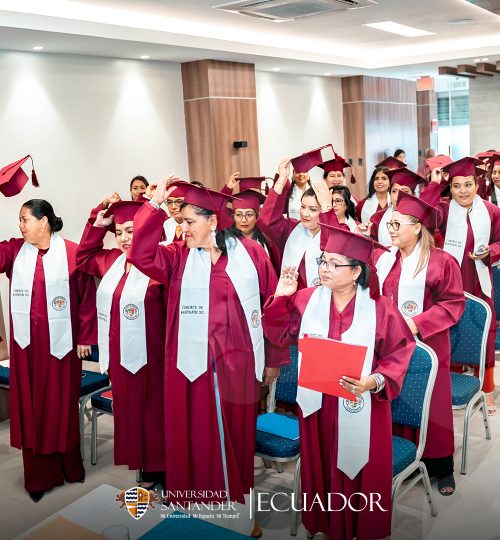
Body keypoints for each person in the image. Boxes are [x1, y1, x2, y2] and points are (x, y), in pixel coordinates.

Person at [127, 178, 289, 538]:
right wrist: (152, 206)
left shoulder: (252, 254)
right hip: (190, 371)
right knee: (194, 442)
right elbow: (139, 254)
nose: (183, 229)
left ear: (213, 221)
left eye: (189, 222)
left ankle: (237, 518)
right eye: (181, 222)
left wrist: (274, 357)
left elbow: (272, 305)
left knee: (235, 441)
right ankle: (195, 517)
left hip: (238, 370)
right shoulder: (176, 257)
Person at [263, 225, 415, 540]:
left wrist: (373, 381)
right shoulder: (307, 299)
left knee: (360, 469)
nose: (324, 269)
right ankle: (327, 525)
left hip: (362, 404)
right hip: (316, 406)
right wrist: (280, 297)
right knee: (321, 467)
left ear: (357, 271)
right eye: (323, 261)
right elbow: (278, 333)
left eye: (334, 264)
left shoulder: (380, 308)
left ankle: (362, 529)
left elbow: (400, 353)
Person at [0, 200, 96, 502]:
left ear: (43, 221)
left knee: (60, 407)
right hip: (26, 350)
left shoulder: (70, 251)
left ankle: (69, 467)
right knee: (33, 409)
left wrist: (85, 336)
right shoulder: (15, 251)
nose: (21, 225)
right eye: (20, 220)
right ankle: (40, 476)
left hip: (61, 349)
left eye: (25, 219)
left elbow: (86, 296)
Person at [376, 191, 465, 495]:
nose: (391, 230)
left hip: (427, 345)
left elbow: (452, 304)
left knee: (432, 404)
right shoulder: (384, 258)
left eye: (397, 225)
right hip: (389, 345)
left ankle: (442, 468)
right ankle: (404, 455)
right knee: (394, 397)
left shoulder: (442, 262)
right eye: (390, 224)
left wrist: (415, 323)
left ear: (417, 227)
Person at [76, 200, 166, 489]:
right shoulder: (112, 261)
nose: (126, 238)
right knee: (131, 417)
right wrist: (96, 225)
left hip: (155, 360)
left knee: (156, 417)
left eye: (131, 230)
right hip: (120, 359)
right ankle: (144, 468)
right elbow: (83, 257)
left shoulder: (162, 263)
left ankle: (162, 471)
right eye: (119, 233)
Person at [421, 156, 500, 415]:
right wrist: (434, 186)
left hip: (479, 280)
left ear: (477, 184)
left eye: (468, 184)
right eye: (456, 186)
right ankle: (451, 384)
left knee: (483, 332)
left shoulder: (491, 211)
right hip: (449, 282)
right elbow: (424, 217)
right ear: (450, 187)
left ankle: (487, 389)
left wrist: (490, 251)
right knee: (449, 332)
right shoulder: (444, 209)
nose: (463, 191)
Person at [258, 158, 344, 291]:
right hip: (294, 302)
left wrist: (327, 206)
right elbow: (266, 221)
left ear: (324, 211)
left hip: (326, 302)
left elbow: (334, 246)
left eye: (313, 209)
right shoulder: (291, 229)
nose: (305, 213)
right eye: (303, 206)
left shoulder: (338, 231)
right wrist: (282, 179)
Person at [222, 175, 282, 275]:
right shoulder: (227, 242)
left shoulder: (268, 243)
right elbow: (218, 210)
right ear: (233, 217)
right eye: (239, 215)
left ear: (257, 217)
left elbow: (275, 272)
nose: (244, 220)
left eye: (249, 214)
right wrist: (227, 189)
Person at [367, 168, 425, 247]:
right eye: (394, 191)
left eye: (405, 191)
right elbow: (373, 247)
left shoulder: (421, 219)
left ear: (413, 195)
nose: (399, 196)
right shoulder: (377, 218)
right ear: (390, 194)